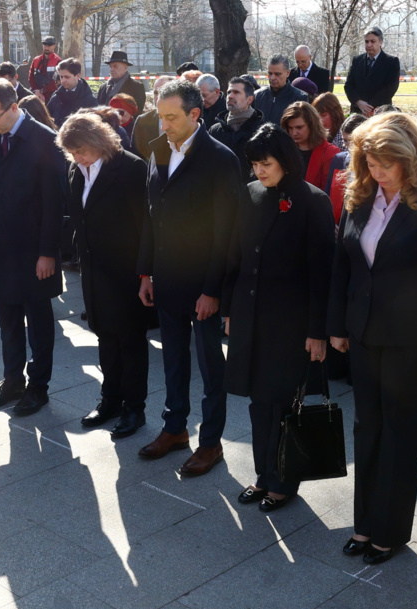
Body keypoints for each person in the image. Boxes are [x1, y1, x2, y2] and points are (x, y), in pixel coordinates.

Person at [327, 111, 417, 564]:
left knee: (401, 436)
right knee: (368, 430)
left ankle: (390, 531)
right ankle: (364, 525)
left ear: (411, 159)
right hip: (364, 334)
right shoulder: (359, 196)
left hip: (412, 343)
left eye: (387, 163)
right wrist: (337, 326)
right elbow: (343, 265)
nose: (378, 171)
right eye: (370, 161)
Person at [225, 124, 334, 512]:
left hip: (291, 324)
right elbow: (235, 256)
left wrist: (317, 331)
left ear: (285, 161)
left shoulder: (312, 201)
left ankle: (284, 480)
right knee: (258, 402)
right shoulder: (251, 193)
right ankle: (262, 474)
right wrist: (229, 311)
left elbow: (322, 273)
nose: (259, 171)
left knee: (283, 403)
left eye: (266, 163)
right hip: (251, 316)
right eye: (254, 164)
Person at [136, 80, 240, 475]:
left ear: (195, 115)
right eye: (160, 116)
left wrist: (212, 291)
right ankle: (175, 428)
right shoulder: (158, 150)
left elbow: (226, 232)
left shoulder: (220, 159)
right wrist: (146, 272)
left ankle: (211, 443)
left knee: (212, 368)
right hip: (166, 279)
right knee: (174, 362)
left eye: (171, 118)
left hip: (204, 287)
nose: (163, 125)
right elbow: (151, 215)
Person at [0, 79, 65, 416]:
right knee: (7, 319)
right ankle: (13, 380)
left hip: (33, 250)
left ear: (14, 107)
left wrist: (47, 252)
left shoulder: (44, 140)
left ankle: (38, 387)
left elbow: (55, 203)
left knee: (39, 323)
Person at [60, 112, 152, 439]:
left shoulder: (130, 168)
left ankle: (134, 408)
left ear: (99, 142)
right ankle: (110, 399)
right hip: (93, 269)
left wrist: (146, 274)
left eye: (81, 151)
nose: (77, 158)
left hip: (126, 271)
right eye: (72, 153)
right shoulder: (76, 169)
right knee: (104, 336)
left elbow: (146, 226)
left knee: (129, 340)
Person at [209, 75, 266, 180]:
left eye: (236, 92)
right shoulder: (215, 130)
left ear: (249, 100)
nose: (230, 96)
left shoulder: (262, 132)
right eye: (229, 92)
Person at [281, 101, 340, 190]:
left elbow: (329, 191)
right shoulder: (285, 149)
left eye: (299, 127)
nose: (294, 133)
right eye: (290, 128)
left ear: (312, 126)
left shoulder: (329, 152)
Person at [344, 26, 400, 115]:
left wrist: (369, 107)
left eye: (373, 41)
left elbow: (390, 88)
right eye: (366, 41)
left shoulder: (391, 62)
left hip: (380, 112)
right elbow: (349, 85)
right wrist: (359, 102)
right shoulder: (357, 60)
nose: (369, 45)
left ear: (380, 42)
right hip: (358, 112)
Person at [325, 113, 368, 221]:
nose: (348, 146)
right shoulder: (339, 160)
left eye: (352, 141)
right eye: (345, 140)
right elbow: (328, 195)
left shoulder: (372, 166)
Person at [255, 55, 308, 126]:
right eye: (270, 73)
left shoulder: (299, 98)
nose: (272, 78)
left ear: (288, 73)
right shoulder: (257, 96)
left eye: (277, 74)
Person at [131, 75, 175, 159]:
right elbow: (136, 154)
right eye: (155, 93)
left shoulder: (185, 120)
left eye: (163, 93)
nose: (158, 97)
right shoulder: (142, 121)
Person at [47, 58, 96, 126]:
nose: (63, 80)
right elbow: (47, 120)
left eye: (67, 77)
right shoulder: (56, 97)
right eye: (61, 77)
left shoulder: (90, 101)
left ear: (78, 76)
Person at [28, 36, 61, 102]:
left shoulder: (58, 61)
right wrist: (36, 91)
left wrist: (42, 91)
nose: (46, 47)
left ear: (54, 46)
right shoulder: (36, 60)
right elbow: (31, 77)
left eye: (49, 45)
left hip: (51, 94)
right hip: (36, 93)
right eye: (45, 45)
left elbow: (57, 81)